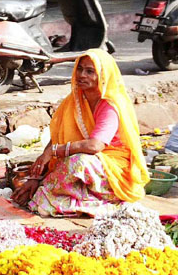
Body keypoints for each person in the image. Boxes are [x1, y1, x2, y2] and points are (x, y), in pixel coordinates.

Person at [11, 49, 150, 217]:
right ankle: (74, 197)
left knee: (78, 162)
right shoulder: (76, 99)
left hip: (114, 167)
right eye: (80, 69)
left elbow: (94, 145)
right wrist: (36, 173)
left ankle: (96, 200)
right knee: (64, 163)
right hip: (88, 161)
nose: (82, 75)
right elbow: (59, 135)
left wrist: (55, 151)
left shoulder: (110, 105)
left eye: (90, 71)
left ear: (103, 76)